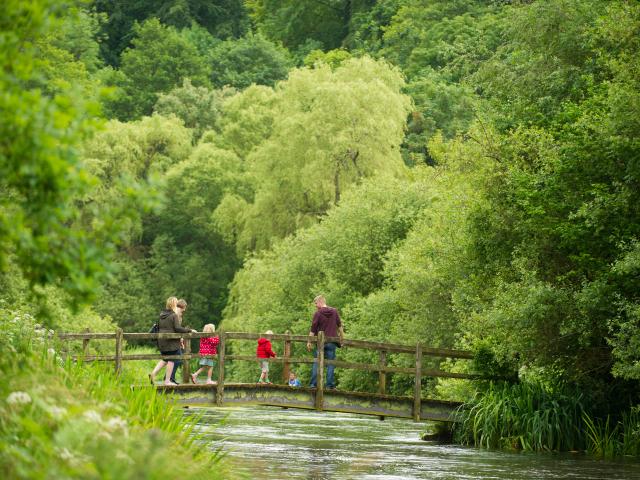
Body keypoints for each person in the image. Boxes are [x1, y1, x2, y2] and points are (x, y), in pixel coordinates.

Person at [149, 296, 197, 386]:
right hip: (170, 342)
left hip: (162, 341)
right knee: (172, 359)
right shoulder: (173, 315)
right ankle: (167, 381)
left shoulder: (161, 315)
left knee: (165, 359)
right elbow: (177, 328)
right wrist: (189, 330)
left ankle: (153, 374)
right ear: (174, 304)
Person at [307, 295, 343, 389]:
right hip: (332, 342)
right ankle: (329, 385)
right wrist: (342, 339)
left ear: (320, 302)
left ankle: (313, 384)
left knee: (317, 362)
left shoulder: (318, 314)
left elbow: (313, 330)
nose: (315, 305)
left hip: (320, 343)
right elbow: (340, 327)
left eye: (315, 303)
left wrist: (309, 341)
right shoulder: (334, 312)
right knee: (331, 363)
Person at [169, 298, 188, 384]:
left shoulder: (178, 315)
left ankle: (169, 377)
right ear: (183, 306)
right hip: (173, 340)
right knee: (176, 359)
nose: (185, 309)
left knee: (174, 359)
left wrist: (181, 339)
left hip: (176, 340)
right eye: (185, 307)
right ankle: (169, 378)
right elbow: (176, 328)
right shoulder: (176, 314)